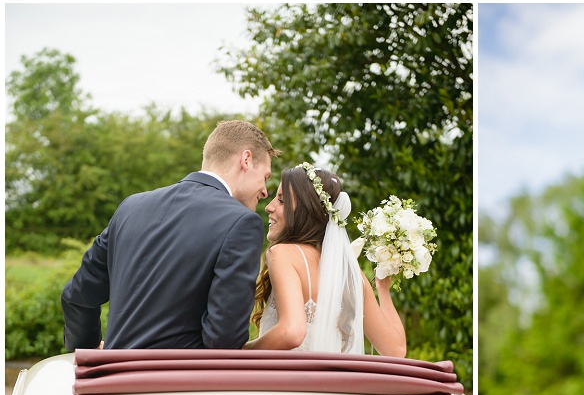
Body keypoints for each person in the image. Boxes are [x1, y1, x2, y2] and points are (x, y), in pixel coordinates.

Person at [61, 120, 280, 350]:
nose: (265, 191)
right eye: (265, 177)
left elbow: (77, 296)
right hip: (177, 382)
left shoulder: (131, 207)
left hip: (111, 380)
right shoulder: (241, 223)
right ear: (246, 160)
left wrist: (87, 353)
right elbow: (224, 338)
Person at [243, 163, 407, 357]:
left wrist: (242, 351)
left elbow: (292, 332)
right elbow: (396, 350)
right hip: (332, 388)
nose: (269, 207)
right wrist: (383, 290)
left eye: (281, 200)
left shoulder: (282, 253)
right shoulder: (351, 275)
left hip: (284, 385)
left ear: (306, 209)